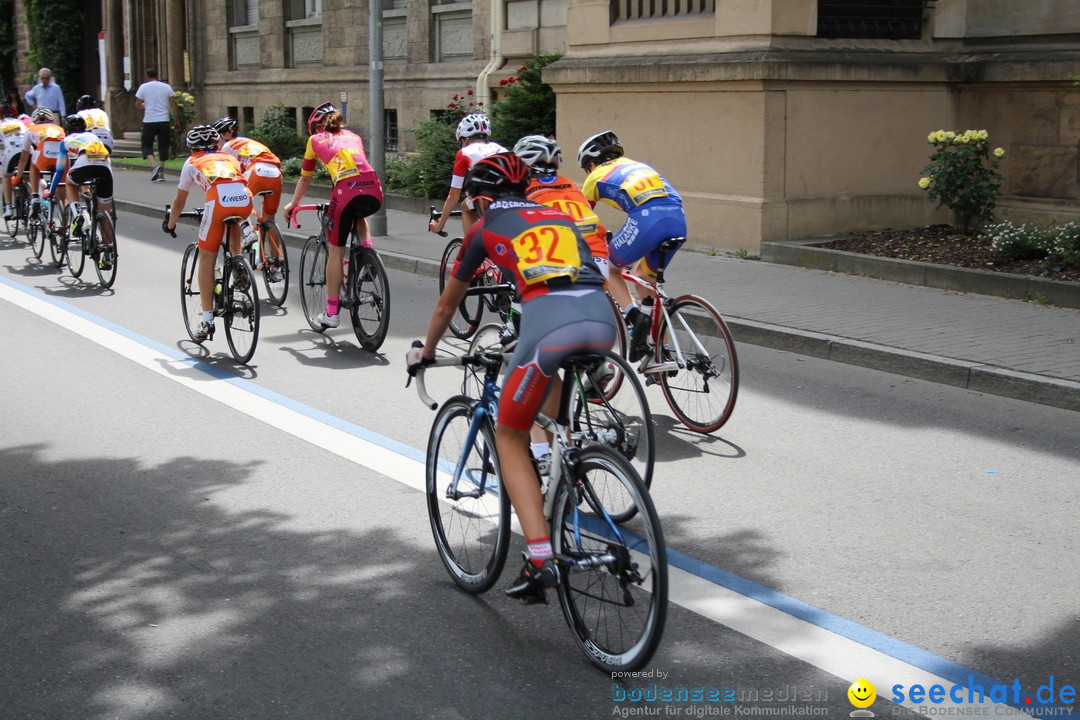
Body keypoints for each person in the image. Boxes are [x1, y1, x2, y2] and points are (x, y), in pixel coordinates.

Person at [407, 152, 616, 604]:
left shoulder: (483, 228)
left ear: (480, 201)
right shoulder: (557, 214)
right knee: (554, 410)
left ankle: (540, 557)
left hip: (551, 326)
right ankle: (562, 464)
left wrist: (425, 352)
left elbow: (447, 306)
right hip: (601, 322)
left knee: (508, 434)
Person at [578, 130, 687, 361]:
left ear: (593, 162)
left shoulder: (593, 177)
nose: (588, 172)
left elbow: (580, 220)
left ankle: (635, 316)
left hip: (647, 219)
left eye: (587, 167)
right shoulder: (639, 166)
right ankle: (662, 354)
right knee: (645, 279)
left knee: (609, 267)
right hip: (678, 218)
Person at [283, 102, 383, 329]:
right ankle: (368, 258)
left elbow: (306, 177)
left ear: (315, 127)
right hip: (374, 189)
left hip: (345, 191)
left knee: (336, 249)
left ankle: (331, 313)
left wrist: (293, 204)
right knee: (359, 216)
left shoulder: (314, 141)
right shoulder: (354, 136)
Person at [162, 125, 252, 342]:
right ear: (215, 143)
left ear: (192, 147)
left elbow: (179, 201)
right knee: (232, 229)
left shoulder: (191, 162)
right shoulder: (228, 156)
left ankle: (207, 320)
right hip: (243, 199)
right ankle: (238, 263)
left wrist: (171, 224)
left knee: (206, 258)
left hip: (218, 200)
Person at [213, 116, 282, 268]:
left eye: (217, 137)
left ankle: (248, 231)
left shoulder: (227, 147)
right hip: (275, 173)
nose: (216, 142)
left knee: (236, 202)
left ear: (226, 134)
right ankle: (276, 265)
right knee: (269, 220)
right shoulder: (250, 142)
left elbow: (231, 174)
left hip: (256, 170)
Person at [427, 113, 506, 237]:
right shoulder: (501, 149)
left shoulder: (464, 152)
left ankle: (471, 248)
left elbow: (454, 194)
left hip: (489, 198)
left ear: (464, 139)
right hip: (514, 197)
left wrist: (439, 225)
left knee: (465, 206)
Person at [45, 116, 113, 249]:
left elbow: (59, 171)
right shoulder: (94, 137)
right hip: (105, 168)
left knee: (70, 183)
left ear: (66, 129)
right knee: (105, 212)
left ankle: (78, 215)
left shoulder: (65, 141)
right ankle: (107, 250)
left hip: (84, 162)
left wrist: (51, 191)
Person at [14, 108, 65, 214]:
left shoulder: (31, 129)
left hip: (44, 158)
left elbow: (23, 159)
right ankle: (67, 215)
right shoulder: (60, 128)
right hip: (61, 158)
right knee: (62, 188)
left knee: (33, 164)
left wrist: (18, 177)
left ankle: (35, 196)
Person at [134, 68, 178, 183]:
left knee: (146, 144)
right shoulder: (166, 87)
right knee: (163, 146)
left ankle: (154, 165)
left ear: (147, 76)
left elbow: (138, 104)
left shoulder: (143, 87)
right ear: (157, 75)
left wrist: (145, 105)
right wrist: (177, 120)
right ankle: (161, 173)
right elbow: (173, 104)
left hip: (149, 120)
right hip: (164, 120)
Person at [1, 105, 28, 219]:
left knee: (6, 176)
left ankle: (8, 208)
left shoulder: (1, 124)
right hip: (27, 149)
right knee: (30, 174)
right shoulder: (22, 122)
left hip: (11, 150)